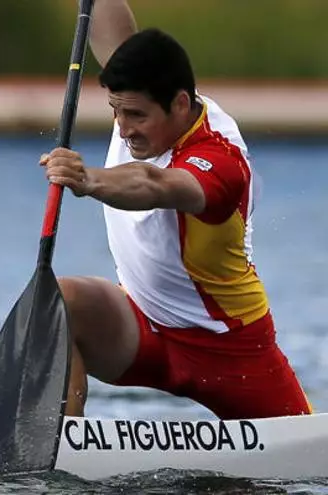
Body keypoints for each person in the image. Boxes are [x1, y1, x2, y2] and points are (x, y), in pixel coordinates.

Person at [40, 0, 311, 419]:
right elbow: (115, 35)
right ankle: (60, 441)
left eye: (135, 116)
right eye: (115, 112)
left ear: (180, 105)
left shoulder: (222, 158)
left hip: (232, 352)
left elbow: (154, 184)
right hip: (145, 327)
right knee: (59, 304)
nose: (123, 128)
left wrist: (88, 180)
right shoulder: (142, 93)